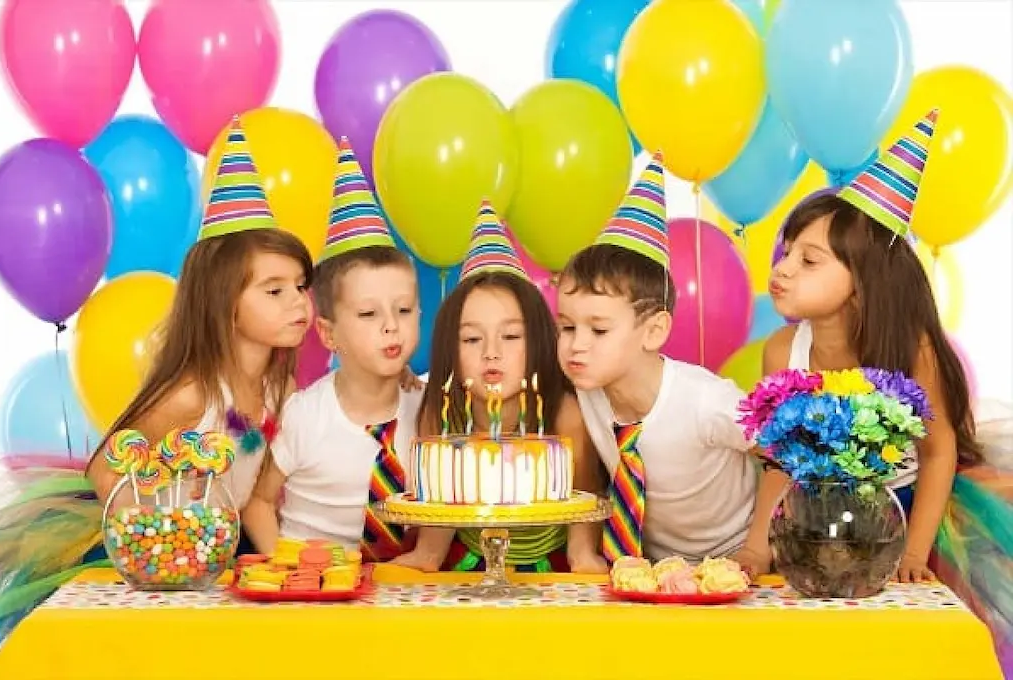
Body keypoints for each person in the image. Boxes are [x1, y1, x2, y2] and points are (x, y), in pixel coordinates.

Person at [0, 117, 313, 647]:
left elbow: (258, 492)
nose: (299, 302)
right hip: (165, 556)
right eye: (274, 291)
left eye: (301, 286)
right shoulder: (195, 393)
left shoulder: (281, 392)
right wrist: (156, 545)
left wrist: (279, 562)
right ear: (224, 303)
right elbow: (104, 470)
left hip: (222, 555)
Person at [742, 110, 1011, 673]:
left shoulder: (911, 351)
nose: (783, 269)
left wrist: (915, 551)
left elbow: (937, 454)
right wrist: (756, 544)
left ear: (860, 286)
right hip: (812, 514)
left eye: (808, 260)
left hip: (904, 512)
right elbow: (777, 463)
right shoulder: (780, 352)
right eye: (787, 251)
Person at [555, 153, 758, 566]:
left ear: (655, 331)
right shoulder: (587, 390)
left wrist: (757, 551)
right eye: (566, 327)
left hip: (734, 561)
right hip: (649, 567)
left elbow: (785, 455)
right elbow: (588, 476)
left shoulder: (705, 401)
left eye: (598, 330)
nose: (577, 345)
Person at [392, 200, 604, 573]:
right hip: (470, 563)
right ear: (449, 349)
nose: (492, 353)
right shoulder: (441, 409)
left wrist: (582, 556)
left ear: (538, 338)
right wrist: (428, 554)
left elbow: (586, 500)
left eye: (510, 336)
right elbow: (440, 507)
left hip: (549, 566)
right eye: (472, 340)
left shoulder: (563, 412)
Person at [243, 139, 423, 560]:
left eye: (404, 309)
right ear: (328, 333)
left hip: (402, 591)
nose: (391, 325)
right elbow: (258, 502)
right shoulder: (306, 414)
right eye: (367, 314)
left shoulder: (430, 405)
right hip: (317, 596)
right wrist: (289, 569)